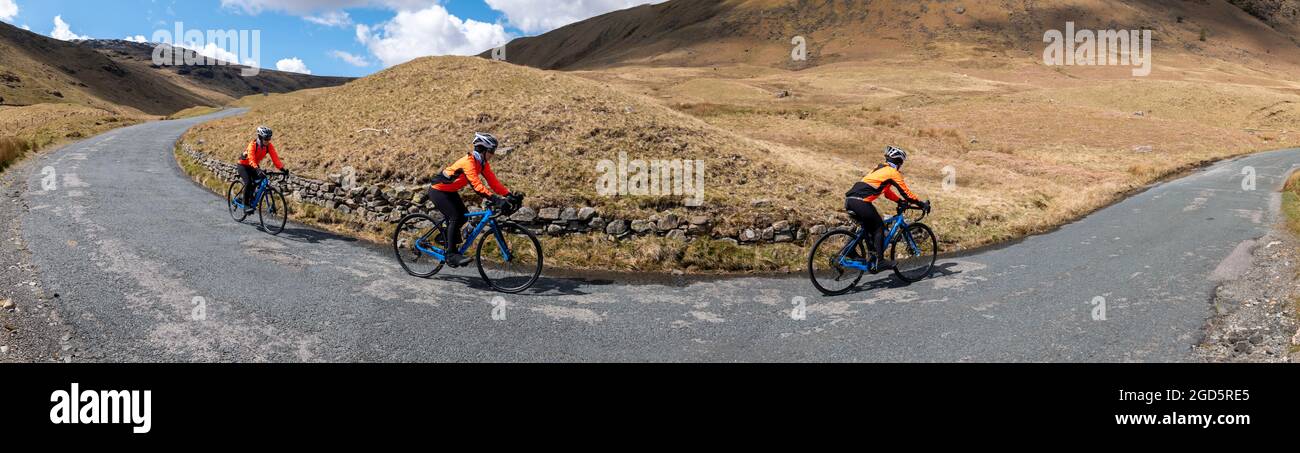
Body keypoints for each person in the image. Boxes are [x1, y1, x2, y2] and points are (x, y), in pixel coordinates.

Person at [429, 132, 512, 267]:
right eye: (491, 151)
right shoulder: (469, 162)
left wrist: (509, 195)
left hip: (449, 191)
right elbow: (477, 186)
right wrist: (496, 199)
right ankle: (450, 255)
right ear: (482, 149)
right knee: (455, 216)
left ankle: (444, 238)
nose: (493, 154)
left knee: (463, 217)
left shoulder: (482, 163)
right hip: (438, 190)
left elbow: (493, 183)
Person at [844, 146, 929, 271]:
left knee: (867, 228)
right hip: (861, 202)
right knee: (879, 227)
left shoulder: (880, 169)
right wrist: (921, 204)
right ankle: (880, 261)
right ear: (899, 162)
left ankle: (850, 252)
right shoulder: (893, 173)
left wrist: (899, 201)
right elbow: (906, 193)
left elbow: (887, 192)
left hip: (850, 200)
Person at [236, 126, 287, 215]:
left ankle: (251, 197)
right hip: (243, 165)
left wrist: (282, 168)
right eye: (266, 138)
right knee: (248, 182)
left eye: (269, 138)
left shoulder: (268, 146)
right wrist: (257, 168)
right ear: (260, 137)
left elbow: (275, 158)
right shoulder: (253, 145)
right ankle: (246, 205)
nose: (268, 140)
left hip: (254, 165)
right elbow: (251, 159)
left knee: (259, 180)